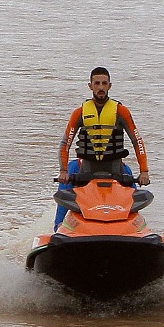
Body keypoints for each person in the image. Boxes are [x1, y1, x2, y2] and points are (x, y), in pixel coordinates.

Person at [54, 67, 153, 230]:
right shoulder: (79, 113)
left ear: (109, 86)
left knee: (131, 188)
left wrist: (144, 171)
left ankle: (136, 229)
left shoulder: (121, 111)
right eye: (97, 83)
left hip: (117, 171)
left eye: (104, 83)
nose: (101, 87)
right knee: (68, 179)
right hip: (84, 172)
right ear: (90, 86)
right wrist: (63, 171)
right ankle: (58, 228)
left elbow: (137, 141)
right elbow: (66, 143)